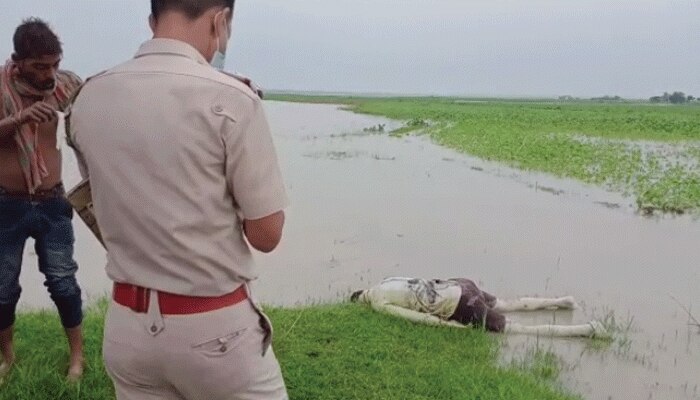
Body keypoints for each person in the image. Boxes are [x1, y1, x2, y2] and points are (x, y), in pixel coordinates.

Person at [68, 0, 289, 398]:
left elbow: (105, 199)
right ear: (220, 20)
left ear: (153, 20)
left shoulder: (88, 97)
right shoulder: (234, 99)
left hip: (126, 328)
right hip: (215, 328)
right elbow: (267, 234)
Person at [0, 18, 84, 380]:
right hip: (8, 204)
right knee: (2, 286)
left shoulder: (65, 85)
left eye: (54, 63)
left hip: (53, 202)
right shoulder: (0, 88)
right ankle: (7, 357)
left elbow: (109, 101)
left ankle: (77, 359)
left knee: (63, 280)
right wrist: (17, 119)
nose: (49, 73)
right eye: (39, 66)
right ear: (18, 62)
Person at [351, 277, 611, 339]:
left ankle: (586, 330)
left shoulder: (378, 304)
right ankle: (564, 301)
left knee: (515, 330)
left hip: (458, 303)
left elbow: (413, 317)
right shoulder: (385, 281)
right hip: (461, 285)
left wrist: (449, 325)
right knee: (508, 305)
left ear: (362, 301)